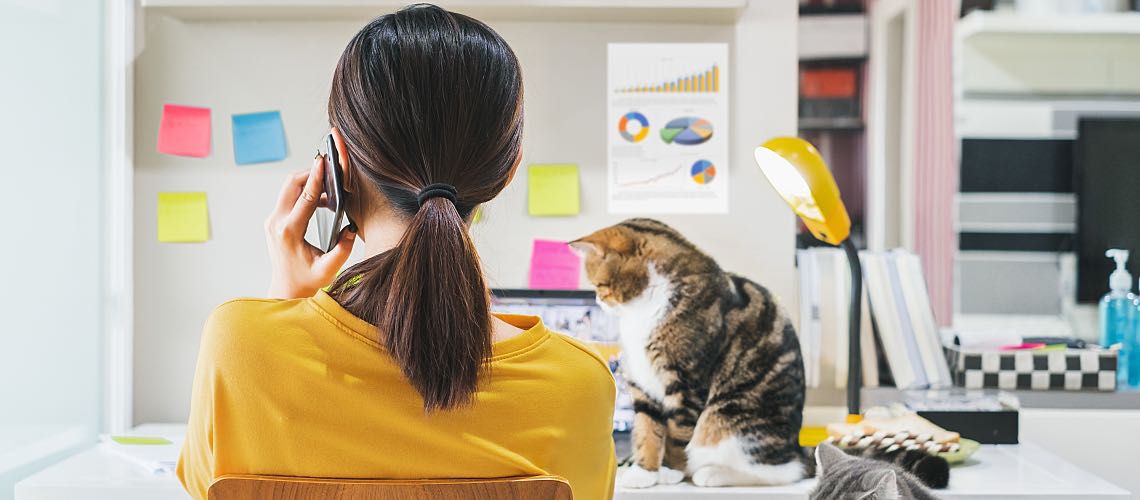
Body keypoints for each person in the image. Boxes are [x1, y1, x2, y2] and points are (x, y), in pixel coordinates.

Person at [176, 5, 617, 499]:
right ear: (509, 169)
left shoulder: (238, 343)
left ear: (337, 162)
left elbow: (204, 488)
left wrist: (285, 304)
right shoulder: (580, 383)